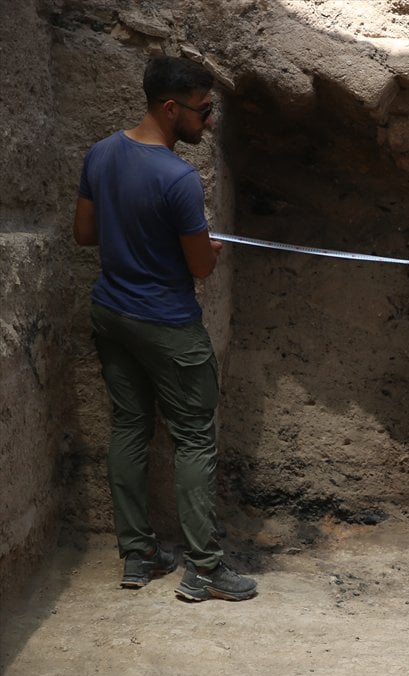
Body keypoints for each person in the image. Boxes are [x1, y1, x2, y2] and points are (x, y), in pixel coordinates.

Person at [73, 56, 256, 602]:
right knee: (195, 438)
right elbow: (199, 267)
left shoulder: (100, 154)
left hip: (112, 313)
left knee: (130, 426)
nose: (209, 121)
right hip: (167, 323)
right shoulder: (177, 178)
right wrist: (209, 250)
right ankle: (204, 568)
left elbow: (85, 234)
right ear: (170, 107)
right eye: (202, 111)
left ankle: (138, 555)